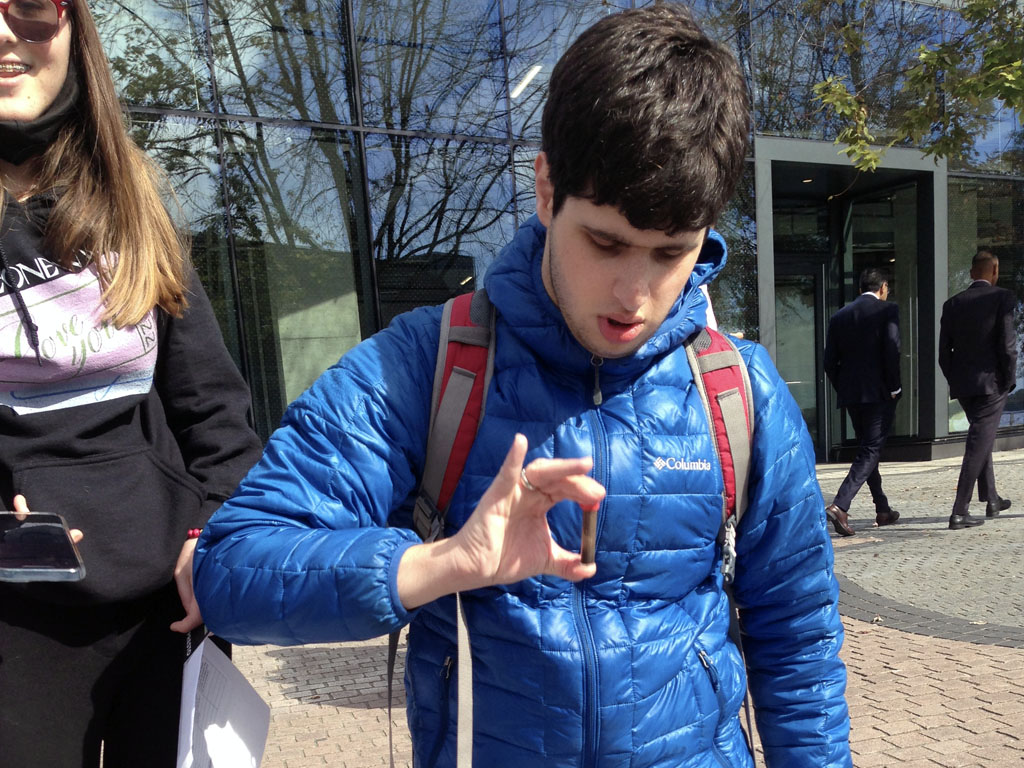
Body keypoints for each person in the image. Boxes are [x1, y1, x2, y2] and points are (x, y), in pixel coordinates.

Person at [194, 6, 852, 767]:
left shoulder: (737, 391)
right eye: (605, 242)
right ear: (545, 189)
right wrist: (443, 564)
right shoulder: (425, 367)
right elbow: (231, 567)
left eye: (672, 253)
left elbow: (798, 639)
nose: (635, 294)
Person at [0, 1, 262, 765]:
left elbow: (214, 411)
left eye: (31, 7)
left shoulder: (134, 204)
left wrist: (212, 535)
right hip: (20, 632)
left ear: (74, 26)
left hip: (167, 615)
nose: (6, 34)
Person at [938, 250, 1018, 530]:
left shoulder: (952, 304)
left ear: (972, 273)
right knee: (977, 443)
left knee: (981, 439)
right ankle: (959, 511)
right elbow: (1008, 346)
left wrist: (956, 380)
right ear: (994, 272)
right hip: (991, 384)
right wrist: (1008, 381)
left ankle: (992, 498)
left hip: (964, 386)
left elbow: (943, 356)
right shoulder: (1002, 298)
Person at [822, 267, 902, 537]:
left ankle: (882, 508)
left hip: (852, 395)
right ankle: (840, 505)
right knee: (870, 449)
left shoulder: (839, 317)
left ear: (859, 290)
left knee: (869, 450)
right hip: (879, 393)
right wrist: (895, 387)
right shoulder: (887, 310)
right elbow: (892, 349)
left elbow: (828, 363)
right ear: (883, 287)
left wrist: (844, 387)